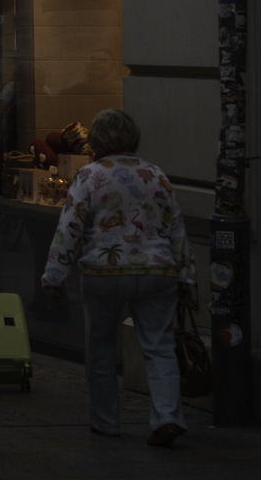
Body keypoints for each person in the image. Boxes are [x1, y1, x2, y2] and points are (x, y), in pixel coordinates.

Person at [40, 107, 193, 447]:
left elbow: (70, 229)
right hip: (157, 271)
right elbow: (177, 227)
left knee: (100, 348)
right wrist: (186, 276)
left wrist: (54, 276)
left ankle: (106, 422)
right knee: (159, 346)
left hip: (104, 271)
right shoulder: (156, 175)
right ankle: (167, 416)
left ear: (96, 139)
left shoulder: (90, 176)